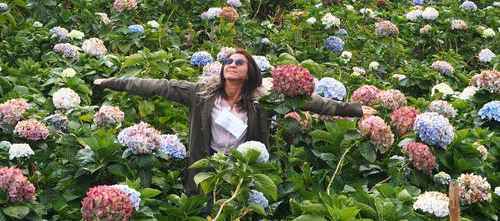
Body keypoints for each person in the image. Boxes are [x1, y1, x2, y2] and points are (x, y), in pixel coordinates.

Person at [94, 49, 375, 196]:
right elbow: (155, 86)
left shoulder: (263, 101)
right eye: (227, 60)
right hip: (205, 173)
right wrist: (112, 83)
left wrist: (356, 110)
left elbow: (310, 102)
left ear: (250, 71)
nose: (231, 64)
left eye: (239, 62)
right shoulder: (200, 94)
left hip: (244, 175)